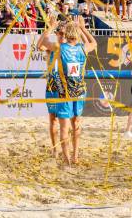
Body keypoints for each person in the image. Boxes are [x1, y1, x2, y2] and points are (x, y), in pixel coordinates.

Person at [56, 15, 96, 166]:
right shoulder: (83, 48)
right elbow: (93, 43)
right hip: (79, 91)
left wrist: (56, 28)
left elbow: (42, 45)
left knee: (64, 127)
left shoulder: (60, 48)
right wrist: (83, 28)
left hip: (65, 91)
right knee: (76, 124)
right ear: (77, 34)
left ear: (66, 35)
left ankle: (67, 161)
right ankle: (76, 156)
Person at [36, 16, 66, 158]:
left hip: (66, 87)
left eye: (64, 33)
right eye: (59, 33)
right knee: (53, 119)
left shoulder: (71, 47)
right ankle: (55, 149)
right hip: (52, 86)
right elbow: (39, 45)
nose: (61, 35)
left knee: (66, 121)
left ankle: (66, 149)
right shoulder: (52, 47)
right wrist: (51, 27)